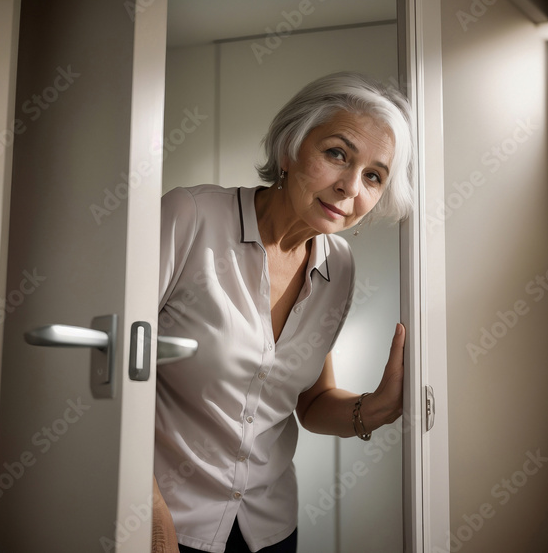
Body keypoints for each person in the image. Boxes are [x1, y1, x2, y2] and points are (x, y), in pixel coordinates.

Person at [150, 72, 415, 553]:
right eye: (338, 153)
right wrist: (142, 508)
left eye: (374, 175)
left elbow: (311, 404)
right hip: (167, 522)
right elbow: (105, 373)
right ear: (291, 147)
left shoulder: (340, 264)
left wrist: (381, 406)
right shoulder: (189, 218)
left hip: (268, 531)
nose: (350, 187)